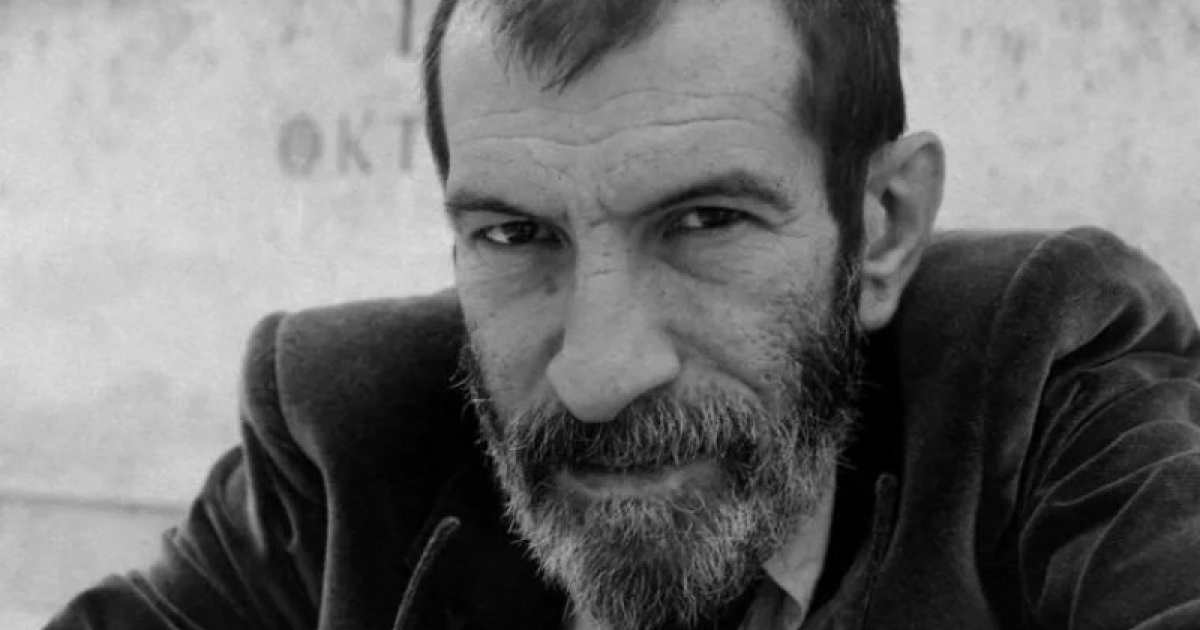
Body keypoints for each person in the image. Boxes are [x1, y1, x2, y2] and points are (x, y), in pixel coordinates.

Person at [46, 0, 1200, 629]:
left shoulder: (1042, 371)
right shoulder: (343, 433)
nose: (598, 374)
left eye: (704, 221)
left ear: (884, 225)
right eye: (515, 235)